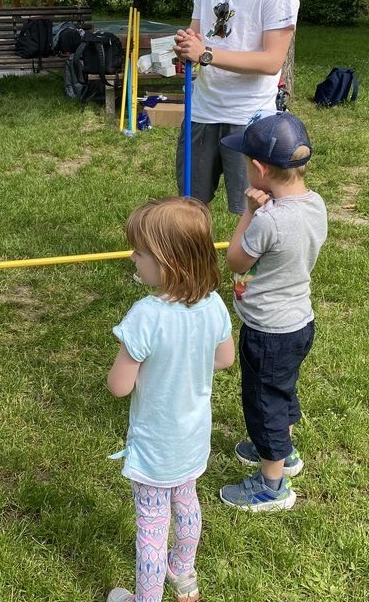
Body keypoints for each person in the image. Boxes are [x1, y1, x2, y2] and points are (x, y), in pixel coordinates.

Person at [106, 197, 235, 602]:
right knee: (186, 503)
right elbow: (226, 359)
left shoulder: (146, 315)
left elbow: (118, 386)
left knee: (151, 525)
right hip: (193, 438)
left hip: (154, 446)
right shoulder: (214, 304)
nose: (132, 256)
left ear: (168, 262)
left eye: (140, 252)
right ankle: (184, 575)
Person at [217, 111, 327, 511]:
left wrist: (250, 211)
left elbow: (235, 261)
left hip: (267, 331)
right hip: (299, 322)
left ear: (259, 169)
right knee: (282, 391)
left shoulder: (268, 220)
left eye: (247, 163)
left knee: (264, 403)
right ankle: (285, 451)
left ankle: (271, 485)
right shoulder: (315, 204)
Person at [173, 0, 299, 215]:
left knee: (253, 208)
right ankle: (191, 264)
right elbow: (197, 37)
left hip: (248, 118)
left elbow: (272, 62)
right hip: (201, 111)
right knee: (190, 205)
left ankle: (245, 267)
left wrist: (206, 54)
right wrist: (186, 50)